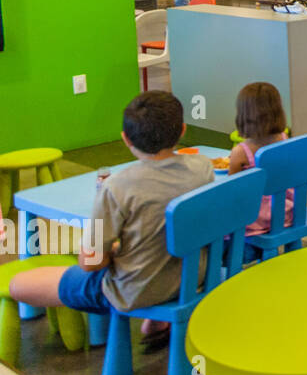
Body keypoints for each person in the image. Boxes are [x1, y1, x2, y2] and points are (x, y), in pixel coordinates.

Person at [6, 92, 213, 347]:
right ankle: (158, 320)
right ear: (182, 130)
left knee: (17, 284)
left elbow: (90, 262)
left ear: (125, 138)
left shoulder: (117, 187)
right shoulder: (203, 168)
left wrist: (115, 251)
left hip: (134, 290)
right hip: (194, 276)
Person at [226, 82, 293, 246]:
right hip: (286, 211)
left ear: (243, 115)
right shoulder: (284, 138)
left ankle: (235, 254)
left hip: (256, 219)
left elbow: (230, 189)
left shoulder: (241, 152)